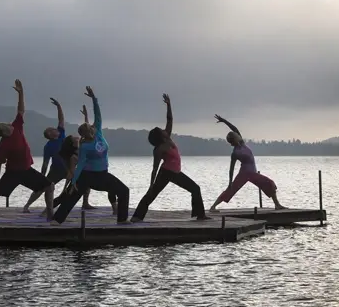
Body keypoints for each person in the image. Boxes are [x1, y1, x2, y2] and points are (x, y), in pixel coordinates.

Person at [0, 79, 54, 221]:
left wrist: (21, 93)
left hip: (27, 170)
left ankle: (50, 214)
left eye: (8, 125)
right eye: (6, 127)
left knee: (49, 186)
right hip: (12, 173)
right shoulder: (3, 145)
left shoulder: (17, 125)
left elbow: (21, 109)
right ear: (4, 132)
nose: (9, 126)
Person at [52, 86, 129, 225]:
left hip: (102, 174)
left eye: (92, 127)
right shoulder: (85, 146)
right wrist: (74, 180)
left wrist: (94, 99)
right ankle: (57, 220)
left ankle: (122, 220)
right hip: (87, 175)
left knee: (123, 190)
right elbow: (81, 163)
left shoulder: (98, 133)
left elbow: (98, 115)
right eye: (89, 128)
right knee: (71, 195)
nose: (92, 128)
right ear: (86, 133)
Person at [131, 94, 209, 222]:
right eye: (161, 130)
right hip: (166, 173)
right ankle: (137, 217)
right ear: (159, 136)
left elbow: (170, 120)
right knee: (151, 194)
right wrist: (151, 184)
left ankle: (200, 215)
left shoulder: (168, 138)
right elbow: (155, 168)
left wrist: (168, 104)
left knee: (195, 188)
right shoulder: (159, 149)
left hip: (175, 172)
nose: (164, 130)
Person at [209, 114, 286, 211]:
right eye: (236, 135)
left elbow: (234, 128)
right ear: (234, 139)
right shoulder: (235, 153)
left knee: (269, 183)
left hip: (252, 173)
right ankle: (213, 207)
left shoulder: (242, 143)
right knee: (231, 190)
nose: (237, 134)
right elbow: (231, 169)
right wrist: (230, 182)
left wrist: (224, 121)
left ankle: (277, 205)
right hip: (245, 173)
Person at [23, 97, 67, 213]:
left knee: (82, 184)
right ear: (50, 135)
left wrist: (58, 106)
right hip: (56, 170)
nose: (54, 129)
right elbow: (45, 163)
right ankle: (27, 206)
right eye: (51, 130)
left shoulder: (61, 134)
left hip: (68, 168)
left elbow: (61, 119)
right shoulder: (48, 146)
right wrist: (41, 176)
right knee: (43, 188)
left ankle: (85, 203)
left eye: (53, 128)